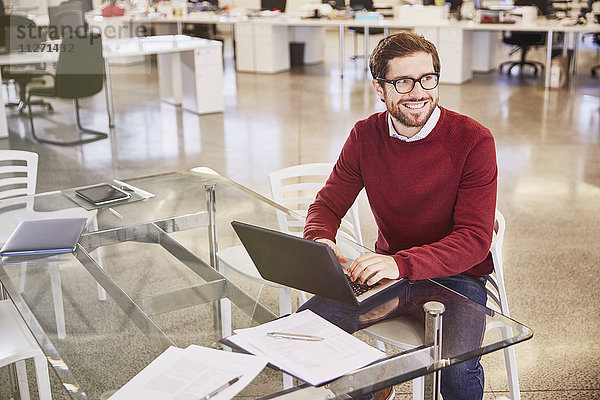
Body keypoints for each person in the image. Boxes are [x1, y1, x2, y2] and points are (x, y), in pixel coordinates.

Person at [298, 31, 497, 400]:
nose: (419, 92)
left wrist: (400, 263)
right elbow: (326, 206)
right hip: (389, 275)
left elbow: (473, 240)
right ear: (380, 87)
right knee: (308, 334)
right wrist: (320, 241)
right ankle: (375, 384)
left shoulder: (473, 139)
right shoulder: (364, 136)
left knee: (456, 371)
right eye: (403, 82)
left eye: (427, 79)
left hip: (457, 278)